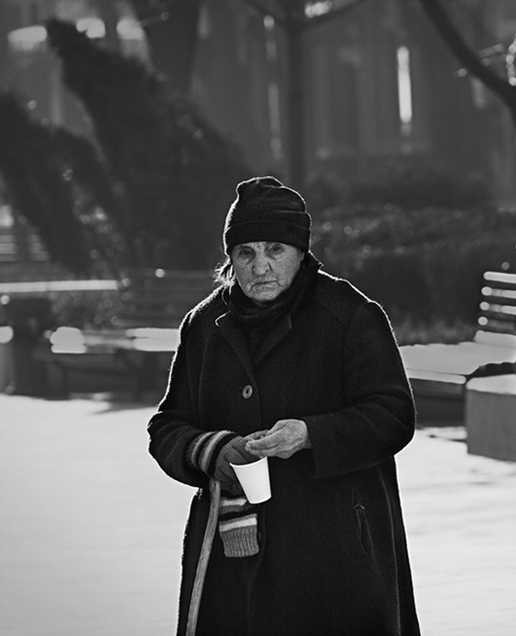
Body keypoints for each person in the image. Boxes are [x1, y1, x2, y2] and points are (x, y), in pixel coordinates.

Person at [147, 176, 420, 635]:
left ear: (300, 251)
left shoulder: (350, 315)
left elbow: (393, 415)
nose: (261, 267)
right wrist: (212, 450)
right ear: (231, 259)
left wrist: (310, 434)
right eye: (246, 253)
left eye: (275, 249)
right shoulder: (204, 326)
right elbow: (167, 427)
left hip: (336, 553)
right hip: (231, 564)